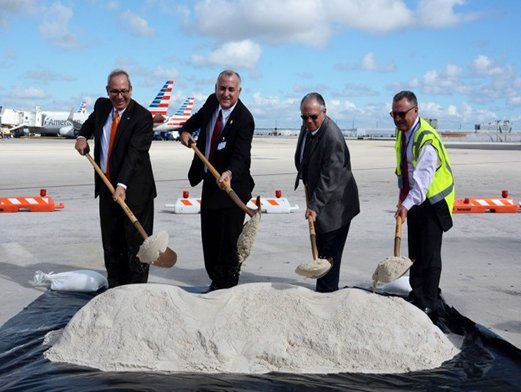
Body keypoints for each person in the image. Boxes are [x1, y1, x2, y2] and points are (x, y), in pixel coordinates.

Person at [75, 69, 157, 288]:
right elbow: (91, 123)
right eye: (114, 91)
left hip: (135, 191)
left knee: (135, 246)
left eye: (123, 91)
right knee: (112, 243)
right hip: (106, 187)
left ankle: (135, 292)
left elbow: (134, 155)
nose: (119, 96)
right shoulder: (102, 106)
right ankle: (115, 289)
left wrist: (121, 185)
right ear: (107, 91)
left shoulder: (142, 117)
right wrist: (83, 136)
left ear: (130, 90)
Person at [180, 70, 255, 292]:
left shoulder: (244, 119)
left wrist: (229, 172)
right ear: (215, 88)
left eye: (231, 89)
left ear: (239, 91)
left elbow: (241, 156)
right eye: (222, 88)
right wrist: (185, 131)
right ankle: (216, 282)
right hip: (210, 184)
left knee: (228, 244)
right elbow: (195, 121)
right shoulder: (212, 102)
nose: (226, 93)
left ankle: (228, 287)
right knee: (210, 240)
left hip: (232, 188)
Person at [391, 90, 455, 320]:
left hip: (434, 202)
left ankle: (429, 301)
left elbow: (423, 184)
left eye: (402, 114)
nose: (398, 119)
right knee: (415, 252)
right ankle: (417, 294)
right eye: (394, 114)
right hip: (415, 200)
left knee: (429, 254)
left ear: (415, 111)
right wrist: (402, 199)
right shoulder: (403, 133)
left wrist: (406, 205)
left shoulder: (426, 140)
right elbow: (404, 170)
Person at [294, 92, 360, 293]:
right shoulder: (307, 128)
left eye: (314, 117)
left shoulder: (332, 137)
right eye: (304, 117)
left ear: (324, 112)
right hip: (320, 200)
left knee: (329, 257)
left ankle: (327, 295)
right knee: (322, 252)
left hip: (337, 207)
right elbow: (303, 157)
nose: (309, 121)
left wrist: (314, 206)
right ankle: (323, 289)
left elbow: (330, 178)